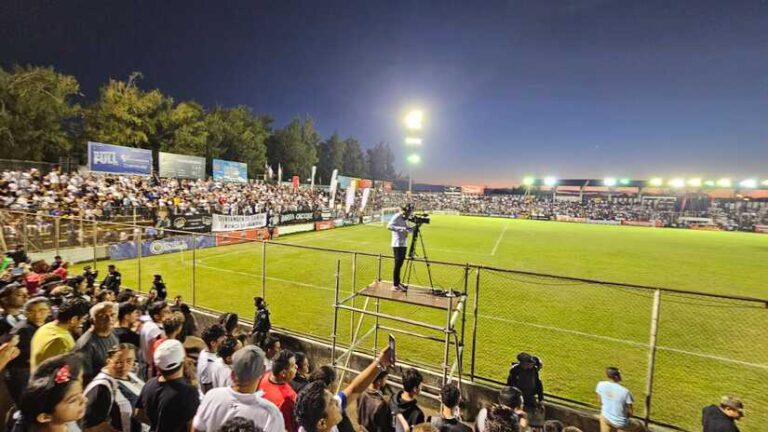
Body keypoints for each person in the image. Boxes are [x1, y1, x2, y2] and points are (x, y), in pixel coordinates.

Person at [193, 345, 285, 432]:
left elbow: (196, 429)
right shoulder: (271, 413)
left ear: (233, 373)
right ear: (263, 371)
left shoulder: (212, 396)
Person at [136, 339, 199, 432]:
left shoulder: (149, 384)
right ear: (183, 359)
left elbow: (138, 414)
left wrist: (158, 425)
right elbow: (193, 428)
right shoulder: (188, 392)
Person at [15, 353, 86, 432]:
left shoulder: (67, 422)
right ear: (45, 417)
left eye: (80, 393)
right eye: (73, 400)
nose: (84, 399)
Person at [83, 343, 145, 432]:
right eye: (118, 362)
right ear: (108, 361)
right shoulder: (101, 387)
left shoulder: (131, 376)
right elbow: (92, 426)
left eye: (129, 361)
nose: (123, 366)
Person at [4, 297, 50, 403]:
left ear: (49, 311)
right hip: (23, 373)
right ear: (25, 313)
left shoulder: (46, 324)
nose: (37, 315)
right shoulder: (23, 330)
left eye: (42, 311)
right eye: (31, 312)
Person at [31, 297, 90, 370]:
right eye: (83, 319)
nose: (82, 324)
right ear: (73, 319)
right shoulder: (61, 341)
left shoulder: (45, 327)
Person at [75, 302, 119, 383]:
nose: (109, 319)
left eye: (112, 315)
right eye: (103, 316)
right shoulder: (86, 344)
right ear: (92, 320)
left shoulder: (112, 333)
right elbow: (84, 379)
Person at [258, 350, 298, 432]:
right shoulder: (288, 398)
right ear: (283, 373)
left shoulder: (264, 376)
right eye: (293, 366)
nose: (296, 367)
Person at [595, 367, 644, 432]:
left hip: (605, 418)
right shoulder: (625, 392)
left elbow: (600, 401)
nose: (621, 375)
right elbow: (631, 412)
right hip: (620, 423)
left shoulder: (600, 384)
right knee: (639, 425)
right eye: (619, 374)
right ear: (616, 377)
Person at [506, 353, 544, 427]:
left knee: (529, 420)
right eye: (530, 364)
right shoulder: (514, 371)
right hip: (517, 399)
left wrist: (541, 399)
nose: (532, 365)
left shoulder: (534, 371)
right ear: (524, 364)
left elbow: (539, 385)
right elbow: (509, 386)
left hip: (529, 399)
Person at [138, 301, 170, 379]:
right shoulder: (156, 331)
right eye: (166, 312)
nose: (169, 313)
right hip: (154, 370)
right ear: (156, 316)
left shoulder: (148, 324)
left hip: (145, 364)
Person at [387, 204, 413, 292]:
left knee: (400, 264)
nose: (409, 214)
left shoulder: (406, 219)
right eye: (408, 212)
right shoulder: (397, 216)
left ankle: (398, 282)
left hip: (403, 244)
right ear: (404, 210)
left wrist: (414, 229)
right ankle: (395, 285)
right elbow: (389, 226)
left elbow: (408, 230)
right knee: (397, 264)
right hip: (397, 244)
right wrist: (402, 228)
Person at [391, 368, 425, 432]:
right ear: (415, 389)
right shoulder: (418, 414)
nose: (421, 388)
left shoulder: (392, 400)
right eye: (420, 386)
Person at [198, 324, 227, 394]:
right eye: (222, 342)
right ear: (213, 343)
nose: (225, 343)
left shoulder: (205, 352)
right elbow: (208, 391)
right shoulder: (209, 365)